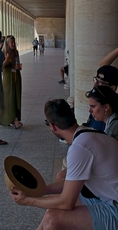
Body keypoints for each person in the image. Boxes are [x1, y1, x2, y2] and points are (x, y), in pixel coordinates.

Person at [10, 98, 118, 229]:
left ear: (53, 126)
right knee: (51, 209)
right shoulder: (89, 133)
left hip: (114, 207)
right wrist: (38, 191)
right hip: (106, 197)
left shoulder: (80, 147)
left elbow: (67, 203)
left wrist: (28, 201)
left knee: (53, 218)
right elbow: (70, 183)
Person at [83, 65, 118, 131]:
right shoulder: (97, 106)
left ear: (112, 88)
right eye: (96, 80)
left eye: (100, 82)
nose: (95, 85)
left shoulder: (105, 112)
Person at [0, 35, 23, 129]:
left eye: (14, 42)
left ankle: (16, 118)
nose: (13, 44)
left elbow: (19, 64)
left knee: (16, 97)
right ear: (7, 44)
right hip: (8, 78)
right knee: (9, 98)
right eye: (11, 42)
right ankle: (12, 119)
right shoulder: (3, 53)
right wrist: (7, 58)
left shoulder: (15, 52)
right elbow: (1, 67)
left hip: (16, 76)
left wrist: (19, 67)